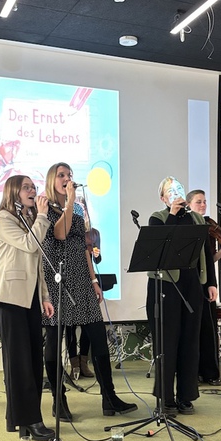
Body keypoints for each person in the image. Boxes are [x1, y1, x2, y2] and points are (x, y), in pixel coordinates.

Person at [42, 162, 137, 419]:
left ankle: (109, 397)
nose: (67, 178)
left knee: (97, 335)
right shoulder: (44, 207)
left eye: (70, 174)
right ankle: (58, 400)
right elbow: (60, 234)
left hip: (82, 279)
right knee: (55, 339)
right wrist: (70, 202)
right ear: (51, 180)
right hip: (57, 280)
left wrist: (94, 279)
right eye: (61, 175)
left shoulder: (77, 208)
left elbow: (84, 246)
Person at [0, 175, 55, 441]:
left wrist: (45, 296)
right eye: (26, 187)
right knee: (19, 364)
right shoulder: (3, 218)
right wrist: (42, 216)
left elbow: (37, 264)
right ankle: (30, 420)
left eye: (33, 187)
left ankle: (18, 419)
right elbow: (30, 245)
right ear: (13, 192)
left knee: (33, 361)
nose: (33, 191)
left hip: (30, 299)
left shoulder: (29, 220)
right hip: (9, 298)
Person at [146, 177, 218, 415]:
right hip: (166, 287)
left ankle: (186, 396)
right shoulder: (158, 218)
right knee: (167, 343)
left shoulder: (197, 219)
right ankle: (165, 398)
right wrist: (173, 215)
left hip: (192, 285)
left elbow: (206, 253)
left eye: (179, 189)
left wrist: (210, 283)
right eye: (171, 191)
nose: (176, 193)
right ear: (163, 198)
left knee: (190, 342)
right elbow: (160, 249)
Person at [187, 189, 221, 384]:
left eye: (204, 201)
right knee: (191, 330)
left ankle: (210, 372)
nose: (203, 205)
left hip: (206, 281)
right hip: (188, 282)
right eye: (198, 202)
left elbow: (209, 260)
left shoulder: (208, 227)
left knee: (208, 329)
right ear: (189, 205)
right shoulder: (186, 226)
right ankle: (192, 372)